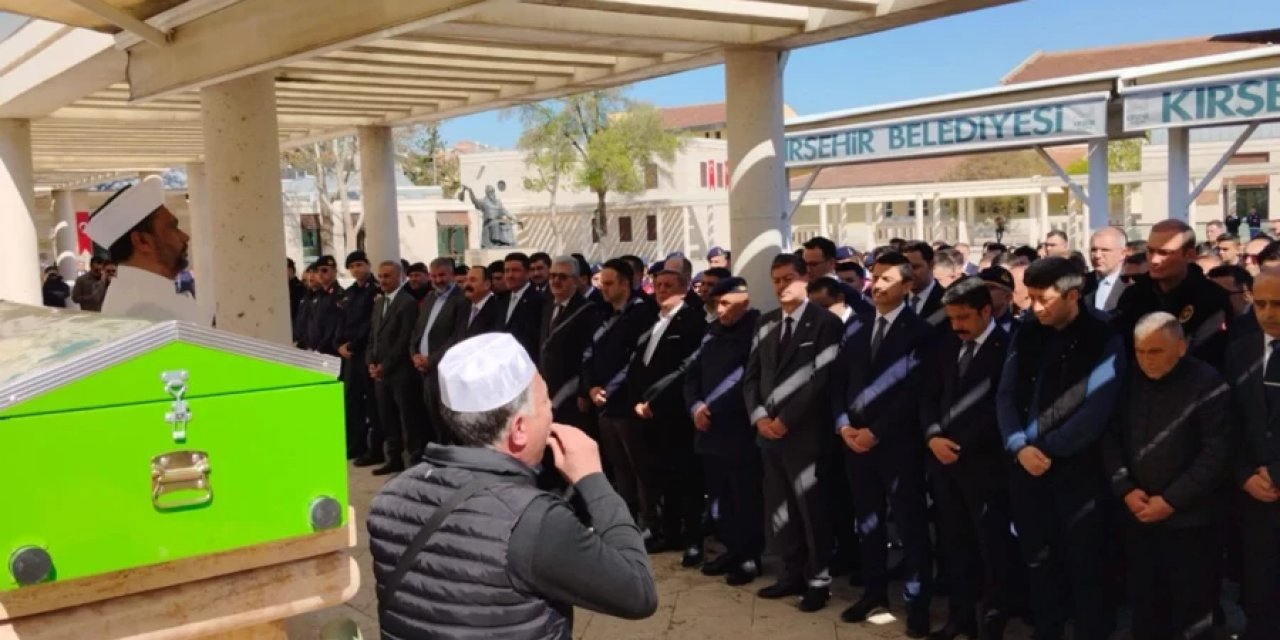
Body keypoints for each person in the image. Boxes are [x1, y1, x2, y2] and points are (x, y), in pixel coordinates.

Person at [367, 333, 658, 639]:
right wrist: (593, 479)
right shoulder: (533, 519)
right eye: (545, 402)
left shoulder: (391, 496)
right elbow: (638, 593)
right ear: (519, 429)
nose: (551, 414)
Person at [997, 257, 1123, 640]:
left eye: (1043, 299)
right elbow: (1005, 395)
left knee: (1085, 564)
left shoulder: (1104, 335)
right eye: (1030, 298)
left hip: (1077, 469)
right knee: (1038, 559)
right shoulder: (1027, 331)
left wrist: (1047, 449)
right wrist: (1019, 445)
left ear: (1072, 294)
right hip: (1025, 464)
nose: (1034, 307)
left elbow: (1098, 406)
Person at [1102, 312, 1230, 640]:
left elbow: (1216, 452)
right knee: (1146, 606)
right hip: (1139, 513)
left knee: (1193, 610)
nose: (1146, 360)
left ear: (1181, 347)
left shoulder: (1208, 382)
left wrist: (1172, 500)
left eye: (1156, 351)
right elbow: (1111, 438)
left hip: (1192, 521)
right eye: (1141, 351)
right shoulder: (1129, 379)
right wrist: (1125, 489)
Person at [833, 252, 934, 635]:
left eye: (887, 279)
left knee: (909, 526)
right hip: (855, 444)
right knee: (868, 523)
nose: (877, 285)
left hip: (897, 447)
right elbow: (839, 382)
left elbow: (913, 392)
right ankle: (874, 593)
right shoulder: (856, 325)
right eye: (874, 277)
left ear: (908, 286)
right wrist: (844, 426)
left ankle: (916, 602)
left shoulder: (921, 331)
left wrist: (876, 431)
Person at [919, 276, 1024, 640]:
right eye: (951, 318)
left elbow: (1003, 405)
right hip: (944, 465)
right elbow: (928, 396)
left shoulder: (1009, 347)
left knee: (991, 549)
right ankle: (960, 618)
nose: (957, 326)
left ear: (985, 310)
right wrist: (933, 435)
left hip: (986, 467)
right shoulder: (945, 346)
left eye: (964, 317)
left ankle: (991, 622)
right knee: (954, 545)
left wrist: (958, 443)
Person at [744, 253, 843, 612]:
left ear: (805, 278)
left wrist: (786, 419)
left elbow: (820, 378)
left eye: (788, 278)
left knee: (811, 509)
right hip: (768, 433)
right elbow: (751, 376)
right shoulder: (766, 323)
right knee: (779, 507)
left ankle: (818, 580)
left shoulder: (824, 323)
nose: (782, 285)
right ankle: (790, 575)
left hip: (804, 434)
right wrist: (758, 416)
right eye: (776, 280)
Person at [684, 276, 764, 586]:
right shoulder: (712, 331)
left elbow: (748, 378)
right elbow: (692, 374)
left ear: (745, 302)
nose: (720, 309)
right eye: (716, 304)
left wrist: (712, 407)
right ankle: (731, 549)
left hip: (738, 428)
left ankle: (748, 557)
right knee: (719, 499)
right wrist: (695, 406)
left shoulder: (756, 330)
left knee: (745, 498)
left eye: (727, 303)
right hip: (707, 428)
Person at [627, 268, 707, 564]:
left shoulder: (692, 322)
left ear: (684, 289)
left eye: (668, 285)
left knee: (686, 480)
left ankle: (693, 539)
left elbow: (685, 368)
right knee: (661, 478)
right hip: (647, 416)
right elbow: (638, 364)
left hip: (674, 414)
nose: (661, 289)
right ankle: (669, 532)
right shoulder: (653, 321)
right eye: (658, 285)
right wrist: (637, 399)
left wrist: (653, 400)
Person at [1223, 269, 1280, 640]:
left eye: (1277, 304)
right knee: (1260, 585)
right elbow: (1229, 420)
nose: (1269, 312)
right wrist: (1244, 473)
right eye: (1260, 304)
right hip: (1254, 492)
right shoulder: (1240, 350)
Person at [583, 259, 658, 535]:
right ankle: (627, 518)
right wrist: (590, 387)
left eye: (610, 283)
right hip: (602, 403)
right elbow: (589, 352)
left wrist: (610, 389)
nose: (603, 287)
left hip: (628, 401)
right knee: (618, 465)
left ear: (626, 283)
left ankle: (650, 520)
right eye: (602, 282)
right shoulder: (600, 313)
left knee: (640, 465)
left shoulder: (643, 313)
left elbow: (636, 359)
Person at [83, 175, 209, 325]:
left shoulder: (143, 295)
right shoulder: (143, 309)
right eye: (173, 228)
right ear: (143, 241)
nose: (185, 236)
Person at [1113, 219, 1233, 371]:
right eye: (1150, 251)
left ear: (1189, 255)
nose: (1155, 260)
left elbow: (1209, 355)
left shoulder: (1211, 298)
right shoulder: (1134, 294)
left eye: (1165, 253)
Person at [365, 260, 423, 475]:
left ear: (400, 277)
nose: (383, 280)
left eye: (388, 276)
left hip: (400, 372)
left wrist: (385, 366)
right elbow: (373, 335)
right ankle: (394, 458)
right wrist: (370, 362)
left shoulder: (406, 303)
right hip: (380, 372)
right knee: (387, 417)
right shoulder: (380, 303)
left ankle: (414, 461)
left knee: (407, 418)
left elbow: (403, 339)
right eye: (380, 276)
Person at [538, 256, 604, 429]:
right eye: (552, 276)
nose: (556, 280)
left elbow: (589, 354)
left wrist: (584, 390)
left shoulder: (588, 311)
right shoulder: (547, 308)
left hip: (572, 393)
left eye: (562, 277)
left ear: (575, 280)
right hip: (547, 390)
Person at [409, 257, 466, 446]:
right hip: (423, 370)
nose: (438, 280)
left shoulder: (462, 299)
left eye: (442, 275)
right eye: (434, 276)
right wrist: (415, 355)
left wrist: (431, 360)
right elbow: (418, 330)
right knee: (431, 419)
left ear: (452, 274)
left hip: (443, 371)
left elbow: (456, 338)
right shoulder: (430, 298)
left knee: (448, 422)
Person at [336, 250, 380, 461]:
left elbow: (370, 323)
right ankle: (355, 445)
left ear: (368, 265)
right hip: (349, 356)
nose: (356, 269)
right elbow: (341, 320)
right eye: (352, 266)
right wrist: (340, 345)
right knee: (352, 401)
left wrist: (353, 344)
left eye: (360, 265)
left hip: (365, 352)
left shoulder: (375, 291)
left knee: (371, 403)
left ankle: (374, 448)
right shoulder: (350, 292)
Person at [498, 252, 546, 362]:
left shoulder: (539, 301)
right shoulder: (501, 301)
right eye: (507, 271)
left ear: (528, 273)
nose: (510, 275)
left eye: (515, 270)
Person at [301, 255, 345, 356]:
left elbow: (333, 327)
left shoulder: (339, 295)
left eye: (324, 270)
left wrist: (320, 348)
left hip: (328, 352)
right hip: (313, 350)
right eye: (318, 270)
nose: (320, 274)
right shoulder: (317, 295)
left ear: (334, 272)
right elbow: (310, 321)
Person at [1084, 226, 1129, 314]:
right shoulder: (1082, 283)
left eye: (1105, 250)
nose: (1097, 256)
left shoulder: (1132, 284)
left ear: (1123, 253)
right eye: (1093, 250)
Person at [902, 242, 946, 328]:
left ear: (931, 265)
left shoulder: (947, 302)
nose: (909, 273)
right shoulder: (895, 300)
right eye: (905, 268)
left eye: (915, 267)